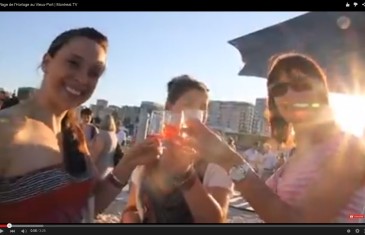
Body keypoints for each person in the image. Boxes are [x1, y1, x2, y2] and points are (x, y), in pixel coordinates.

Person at [0, 27, 160, 223]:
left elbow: (85, 210)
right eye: (73, 63)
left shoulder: (73, 132)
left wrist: (128, 164)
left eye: (94, 72)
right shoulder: (7, 130)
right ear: (46, 62)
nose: (83, 79)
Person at [185, 53, 365, 223]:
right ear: (274, 103)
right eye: (279, 88)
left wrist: (230, 160)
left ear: (321, 92)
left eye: (301, 84)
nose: (290, 94)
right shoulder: (296, 155)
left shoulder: (349, 150)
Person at [121, 75, 233, 223]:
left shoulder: (214, 159)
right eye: (189, 105)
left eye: (202, 108)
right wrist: (130, 217)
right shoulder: (151, 152)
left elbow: (216, 220)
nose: (196, 114)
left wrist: (186, 174)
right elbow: (133, 206)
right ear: (169, 108)